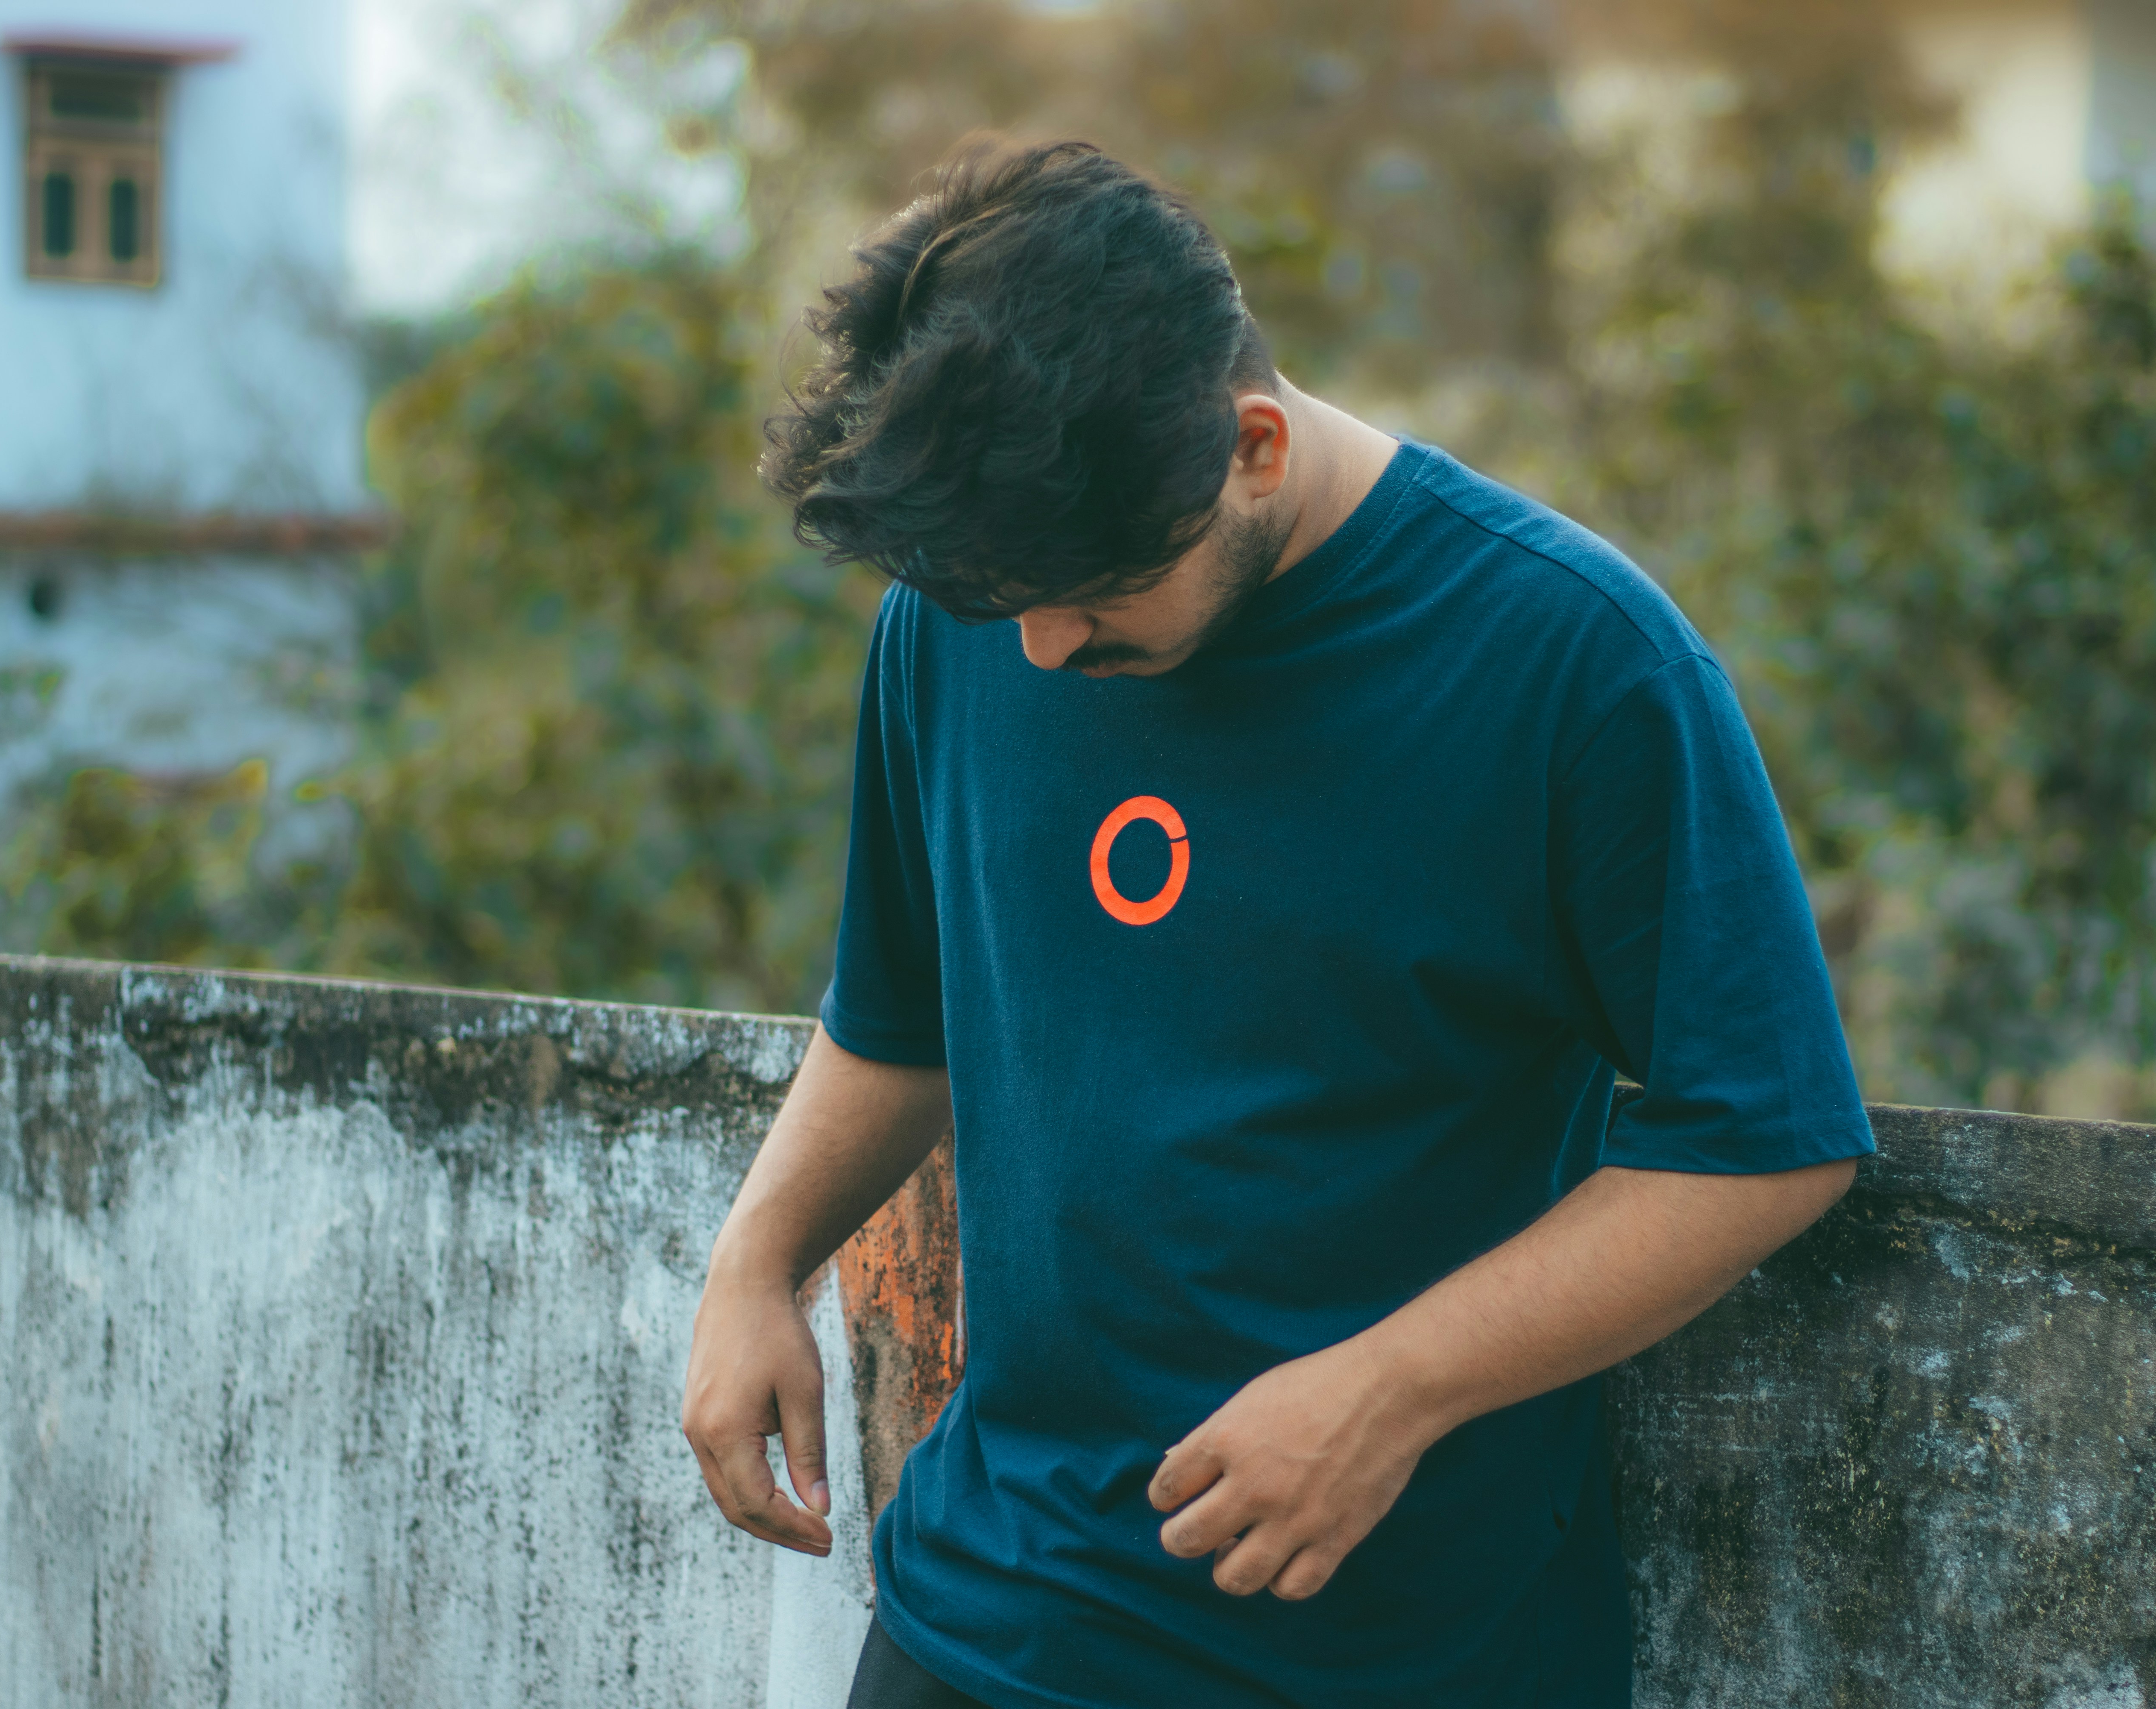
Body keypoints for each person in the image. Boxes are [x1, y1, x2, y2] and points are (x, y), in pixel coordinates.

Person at [682, 137, 1872, 1709]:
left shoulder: (1578, 665)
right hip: (985, 1622)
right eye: (1001, 600)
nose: (1038, 650)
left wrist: (1392, 1390)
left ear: (1251, 446)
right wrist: (756, 1262)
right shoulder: (966, 610)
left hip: (1396, 1658)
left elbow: (1763, 1137)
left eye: (1097, 593)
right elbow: (904, 1015)